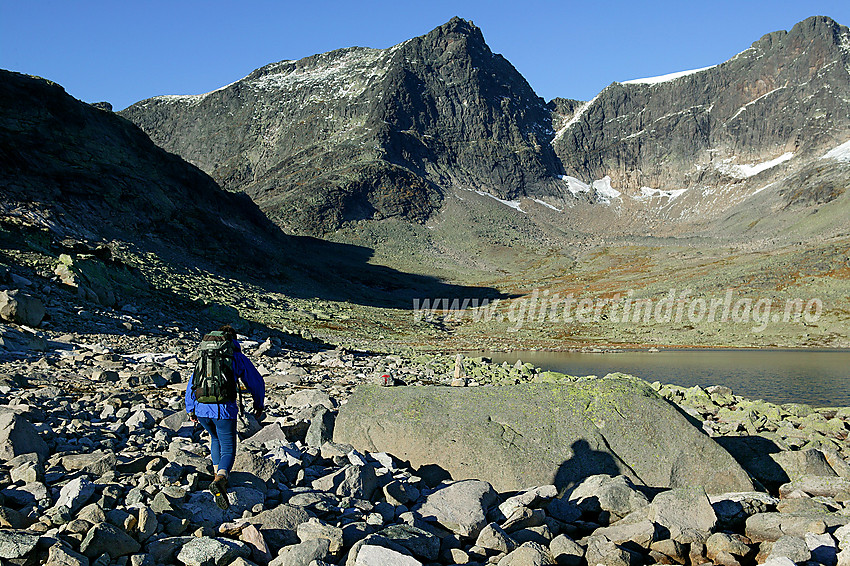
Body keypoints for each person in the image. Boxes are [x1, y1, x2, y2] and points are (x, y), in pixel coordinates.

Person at [185, 325, 265, 509]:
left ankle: (216, 474)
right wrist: (258, 404)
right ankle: (221, 479)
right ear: (233, 339)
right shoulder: (235, 356)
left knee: (214, 438)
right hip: (224, 410)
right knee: (228, 447)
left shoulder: (203, 356)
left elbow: (192, 383)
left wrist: (191, 410)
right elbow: (255, 382)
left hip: (201, 408)